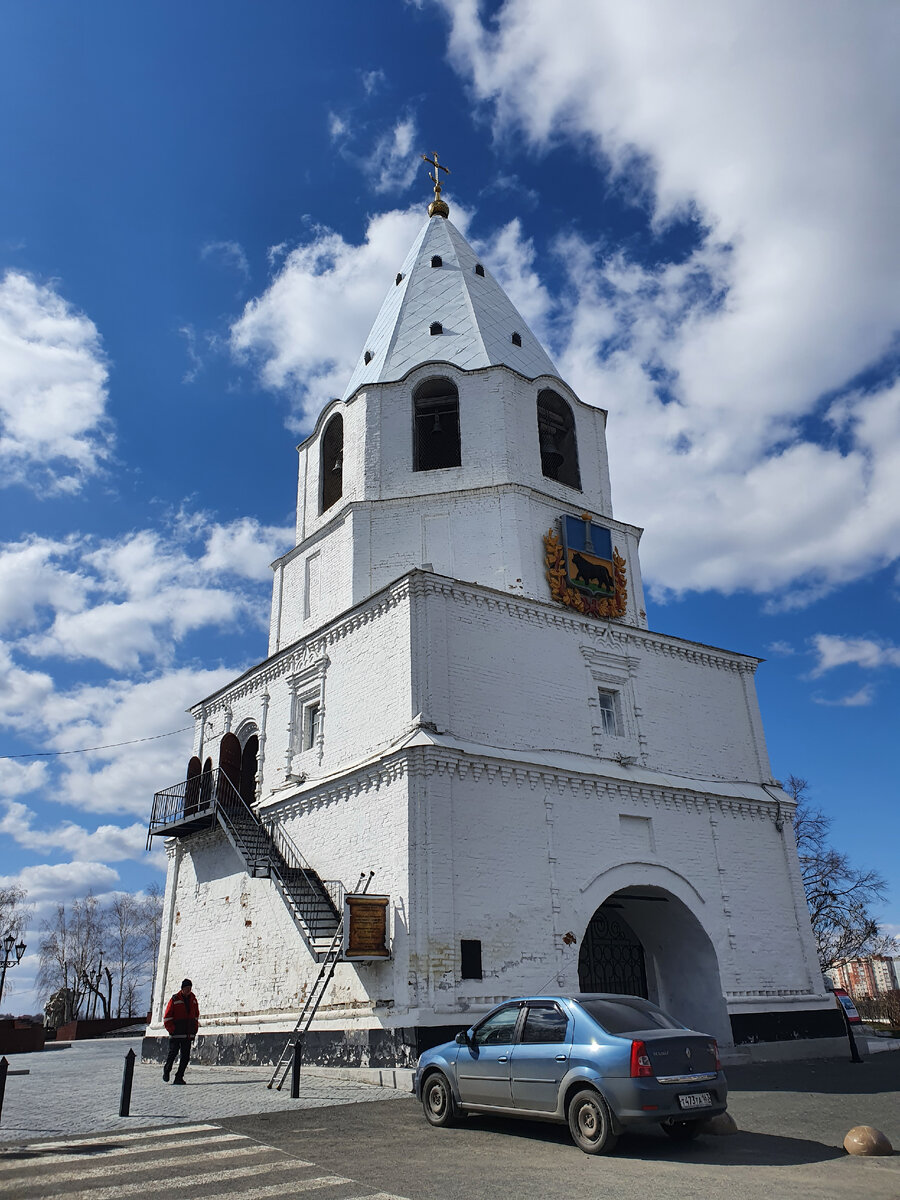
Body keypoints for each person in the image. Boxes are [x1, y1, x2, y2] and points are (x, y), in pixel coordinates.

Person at [163, 978, 200, 1084]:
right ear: (182, 989)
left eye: (190, 988)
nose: (189, 990)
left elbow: (195, 1016)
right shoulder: (175, 999)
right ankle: (167, 1070)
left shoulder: (193, 1000)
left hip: (187, 1034)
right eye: (187, 988)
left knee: (185, 1057)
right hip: (176, 1034)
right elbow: (167, 1017)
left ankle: (179, 1077)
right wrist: (172, 1030)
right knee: (173, 1054)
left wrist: (194, 1030)